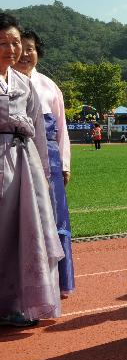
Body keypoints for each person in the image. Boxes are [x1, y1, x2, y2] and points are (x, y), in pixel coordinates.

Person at [0, 13, 62, 328]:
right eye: (3, 43)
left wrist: (44, 175)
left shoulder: (24, 83)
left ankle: (18, 305)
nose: (12, 49)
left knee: (23, 233)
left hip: (24, 165)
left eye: (14, 42)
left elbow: (38, 128)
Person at [13, 28, 75, 298]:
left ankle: (59, 282)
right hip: (19, 159)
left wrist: (64, 165)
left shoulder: (50, 87)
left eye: (31, 48)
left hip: (49, 161)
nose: (26, 54)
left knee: (55, 218)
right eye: (21, 48)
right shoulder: (9, 85)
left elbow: (62, 130)